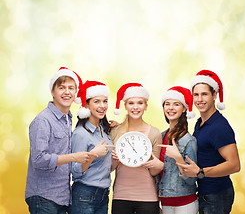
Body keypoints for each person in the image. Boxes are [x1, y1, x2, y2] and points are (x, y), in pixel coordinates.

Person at [25, 67, 94, 214]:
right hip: (43, 197)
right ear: (52, 92)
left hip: (62, 197)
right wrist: (74, 157)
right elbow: (38, 159)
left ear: (76, 93)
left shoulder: (67, 120)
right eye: (61, 87)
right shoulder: (43, 120)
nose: (67, 92)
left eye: (71, 88)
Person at [177, 70, 241, 214]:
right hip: (206, 193)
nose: (200, 99)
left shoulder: (219, 126)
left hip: (216, 195)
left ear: (214, 96)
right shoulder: (200, 122)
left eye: (204, 94)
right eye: (196, 94)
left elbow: (234, 165)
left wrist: (200, 172)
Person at [143, 86, 198, 214]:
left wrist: (178, 158)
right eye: (167, 104)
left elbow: (191, 179)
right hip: (165, 202)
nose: (170, 108)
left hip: (185, 204)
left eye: (176, 104)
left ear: (184, 108)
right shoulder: (161, 136)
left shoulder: (188, 141)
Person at [110, 83, 162, 214]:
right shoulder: (115, 131)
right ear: (125, 105)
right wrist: (115, 160)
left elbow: (154, 172)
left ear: (146, 106)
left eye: (140, 103)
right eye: (131, 103)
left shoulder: (154, 133)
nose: (135, 107)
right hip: (121, 196)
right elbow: (109, 168)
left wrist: (156, 164)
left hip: (147, 197)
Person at [70, 81, 115, 214]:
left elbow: (101, 168)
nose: (102, 106)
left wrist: (116, 162)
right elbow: (76, 171)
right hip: (84, 194)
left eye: (105, 101)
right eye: (97, 101)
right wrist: (92, 154)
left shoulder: (104, 131)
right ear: (86, 104)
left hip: (103, 194)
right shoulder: (81, 134)